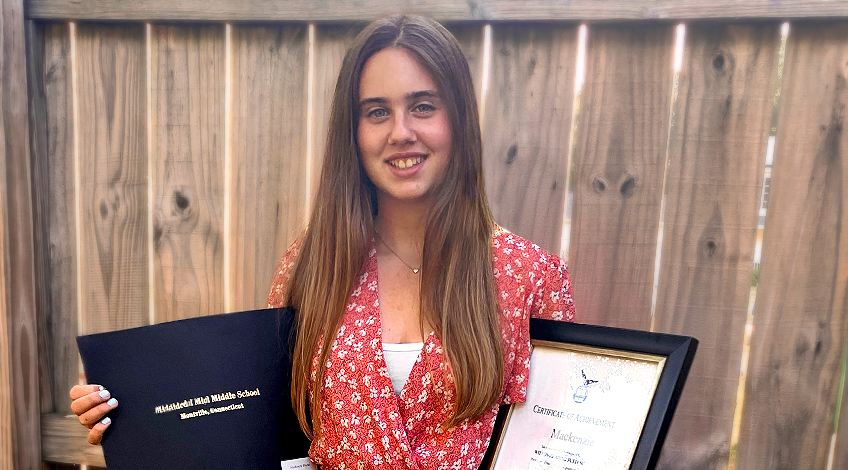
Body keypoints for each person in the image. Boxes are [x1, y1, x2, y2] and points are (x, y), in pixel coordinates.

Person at [70, 14, 576, 469]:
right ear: (352, 132)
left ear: (459, 119)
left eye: (423, 106)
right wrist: (133, 417)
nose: (401, 132)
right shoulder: (313, 264)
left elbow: (562, 442)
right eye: (376, 112)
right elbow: (259, 422)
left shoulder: (529, 275)